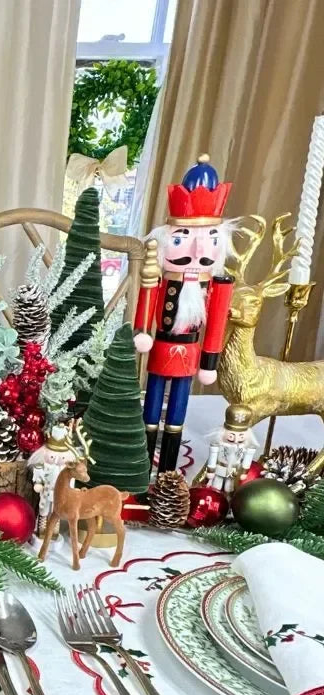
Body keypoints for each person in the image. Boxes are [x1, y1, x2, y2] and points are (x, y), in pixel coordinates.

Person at [134, 154, 234, 475]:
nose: (196, 252)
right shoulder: (161, 279)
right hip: (161, 346)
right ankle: (143, 462)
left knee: (177, 411)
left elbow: (216, 324)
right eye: (182, 240)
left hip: (190, 351)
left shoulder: (216, 285)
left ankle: (166, 472)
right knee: (151, 407)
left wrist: (209, 362)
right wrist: (142, 332)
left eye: (206, 241)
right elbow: (148, 301)